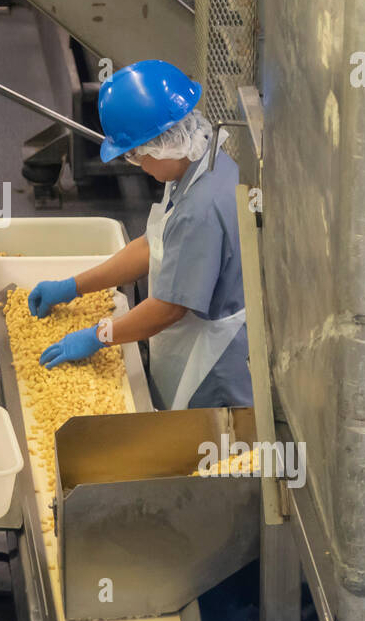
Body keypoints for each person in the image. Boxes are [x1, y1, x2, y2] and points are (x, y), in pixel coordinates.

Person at [30, 59, 252, 411]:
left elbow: (168, 308)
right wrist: (73, 286)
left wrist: (101, 335)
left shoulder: (200, 208)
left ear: (161, 144)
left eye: (135, 156)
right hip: (192, 344)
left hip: (211, 364)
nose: (138, 165)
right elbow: (154, 246)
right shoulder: (197, 165)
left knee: (208, 454)